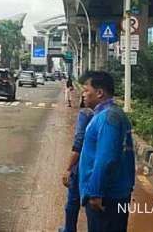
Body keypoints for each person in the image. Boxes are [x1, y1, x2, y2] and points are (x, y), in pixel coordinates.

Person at [78, 71, 135, 232]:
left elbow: (106, 158)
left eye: (86, 90)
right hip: (114, 193)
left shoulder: (107, 117)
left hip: (106, 197)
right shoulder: (112, 114)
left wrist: (96, 192)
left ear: (100, 92)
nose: (83, 94)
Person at [60, 95, 93, 232]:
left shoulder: (85, 114)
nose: (84, 94)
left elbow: (78, 142)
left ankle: (69, 229)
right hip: (97, 166)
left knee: (73, 201)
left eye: (86, 89)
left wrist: (68, 168)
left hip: (82, 164)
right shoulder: (108, 114)